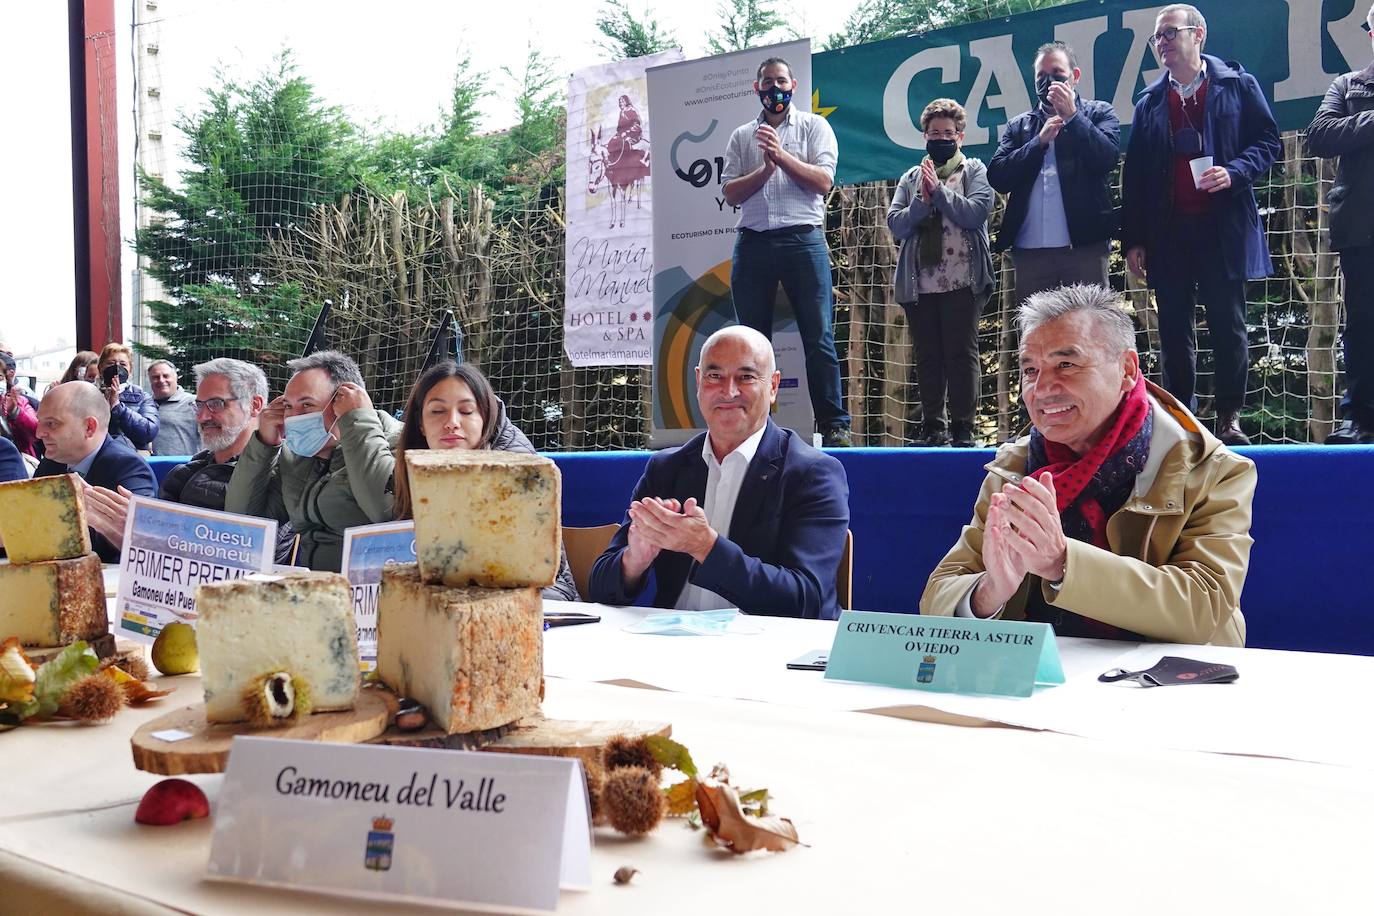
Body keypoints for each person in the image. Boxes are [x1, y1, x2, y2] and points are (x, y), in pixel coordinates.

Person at [921, 284, 1255, 645]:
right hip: (1042, 678)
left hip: (1169, 683)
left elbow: (1204, 607)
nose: (1043, 388)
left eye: (1066, 364)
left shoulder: (1212, 469)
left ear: (1127, 369)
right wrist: (989, 591)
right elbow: (939, 594)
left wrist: (1063, 564)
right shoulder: (1013, 468)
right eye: (1031, 370)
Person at [588, 325, 850, 620]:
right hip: (671, 647)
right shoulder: (667, 468)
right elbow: (600, 590)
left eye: (746, 377)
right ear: (699, 381)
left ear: (773, 387)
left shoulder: (813, 473)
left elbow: (806, 601)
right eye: (715, 377)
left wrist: (704, 547)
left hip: (765, 653)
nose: (729, 391)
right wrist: (634, 560)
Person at [1122, 4, 1280, 446]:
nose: (1163, 43)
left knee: (1228, 326)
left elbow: (1268, 142)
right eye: (1157, 38)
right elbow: (1133, 175)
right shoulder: (1149, 101)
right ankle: (1180, 421)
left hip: (1222, 228)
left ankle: (1229, 417)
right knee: (1173, 330)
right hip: (1168, 233)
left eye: (1170, 33)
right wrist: (1134, 238)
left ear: (1199, 35)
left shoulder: (1237, 84)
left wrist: (1234, 171)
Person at [722, 56, 852, 447]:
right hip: (754, 242)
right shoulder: (742, 136)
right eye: (767, 82)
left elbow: (823, 181)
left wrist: (781, 157)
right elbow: (729, 192)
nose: (773, 88)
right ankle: (753, 427)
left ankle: (835, 425)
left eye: (780, 81)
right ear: (756, 88)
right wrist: (764, 169)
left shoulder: (816, 126)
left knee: (819, 338)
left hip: (803, 240)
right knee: (752, 344)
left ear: (793, 85)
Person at [391, 361, 579, 601]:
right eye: (437, 411)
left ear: (485, 418)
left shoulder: (518, 472)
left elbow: (544, 582)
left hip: (542, 608)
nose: (452, 422)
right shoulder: (411, 472)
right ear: (421, 424)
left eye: (467, 411)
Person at [82, 358, 296, 564]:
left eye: (215, 404)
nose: (202, 416)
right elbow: (157, 561)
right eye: (199, 405)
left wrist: (150, 535)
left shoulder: (279, 477)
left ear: (255, 405)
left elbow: (256, 560)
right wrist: (128, 535)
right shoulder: (184, 473)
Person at [225, 350, 398, 572]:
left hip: (372, 592)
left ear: (345, 402)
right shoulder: (298, 458)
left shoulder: (398, 443)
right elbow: (243, 523)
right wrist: (264, 445)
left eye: (307, 405)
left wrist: (358, 421)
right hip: (310, 590)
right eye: (287, 406)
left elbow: (385, 512)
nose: (293, 417)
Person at [887, 98, 994, 448]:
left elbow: (976, 213)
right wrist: (921, 201)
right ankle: (934, 427)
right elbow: (897, 225)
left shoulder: (975, 170)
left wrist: (941, 194)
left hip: (964, 279)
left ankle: (964, 427)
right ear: (925, 137)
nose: (942, 137)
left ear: (960, 136)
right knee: (928, 355)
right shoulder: (910, 177)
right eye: (935, 132)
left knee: (961, 353)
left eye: (948, 132)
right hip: (921, 284)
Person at [988, 40, 1120, 303]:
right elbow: (998, 176)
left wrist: (1073, 117)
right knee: (1037, 337)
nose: (1048, 81)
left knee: (1090, 331)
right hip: (1030, 253)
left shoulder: (1098, 113)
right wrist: (1038, 143)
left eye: (1057, 74)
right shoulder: (1019, 126)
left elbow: (1106, 159)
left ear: (1075, 76)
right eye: (1041, 76)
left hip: (1084, 250)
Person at [1306, 6, 1374, 445]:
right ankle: (1361, 416)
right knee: (1363, 321)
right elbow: (1320, 134)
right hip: (1361, 226)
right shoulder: (1348, 85)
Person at [31, 381, 157, 562]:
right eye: (40, 422)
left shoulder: (128, 468)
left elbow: (139, 546)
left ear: (89, 427)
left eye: (51, 424)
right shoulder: (51, 464)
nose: (38, 433)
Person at [94, 343, 160, 451]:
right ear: (101, 368)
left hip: (131, 457)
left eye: (123, 364)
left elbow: (148, 432)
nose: (117, 368)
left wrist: (118, 407)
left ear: (130, 370)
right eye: (111, 363)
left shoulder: (142, 397)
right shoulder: (89, 393)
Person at [146, 360, 200, 456]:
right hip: (151, 467)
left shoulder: (194, 403)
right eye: (155, 377)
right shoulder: (145, 405)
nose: (161, 380)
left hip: (184, 467)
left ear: (176, 377)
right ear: (150, 380)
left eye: (166, 376)